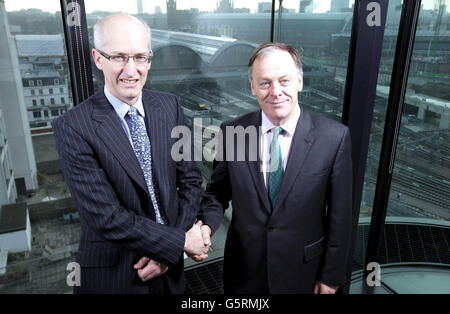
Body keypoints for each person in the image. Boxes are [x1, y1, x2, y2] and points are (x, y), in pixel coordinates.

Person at [52, 14, 209, 294]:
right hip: (117, 274)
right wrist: (181, 243)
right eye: (119, 57)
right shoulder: (73, 126)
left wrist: (168, 251)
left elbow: (191, 182)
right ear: (98, 59)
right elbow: (106, 217)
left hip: (170, 271)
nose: (131, 70)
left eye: (140, 57)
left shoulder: (169, 106)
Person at [197, 42, 353, 294]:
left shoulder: (334, 138)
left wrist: (331, 276)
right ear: (252, 87)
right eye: (265, 83)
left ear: (300, 81)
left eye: (284, 81)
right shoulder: (232, 132)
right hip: (244, 272)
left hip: (304, 273)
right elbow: (217, 193)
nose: (275, 91)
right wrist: (206, 225)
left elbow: (340, 217)